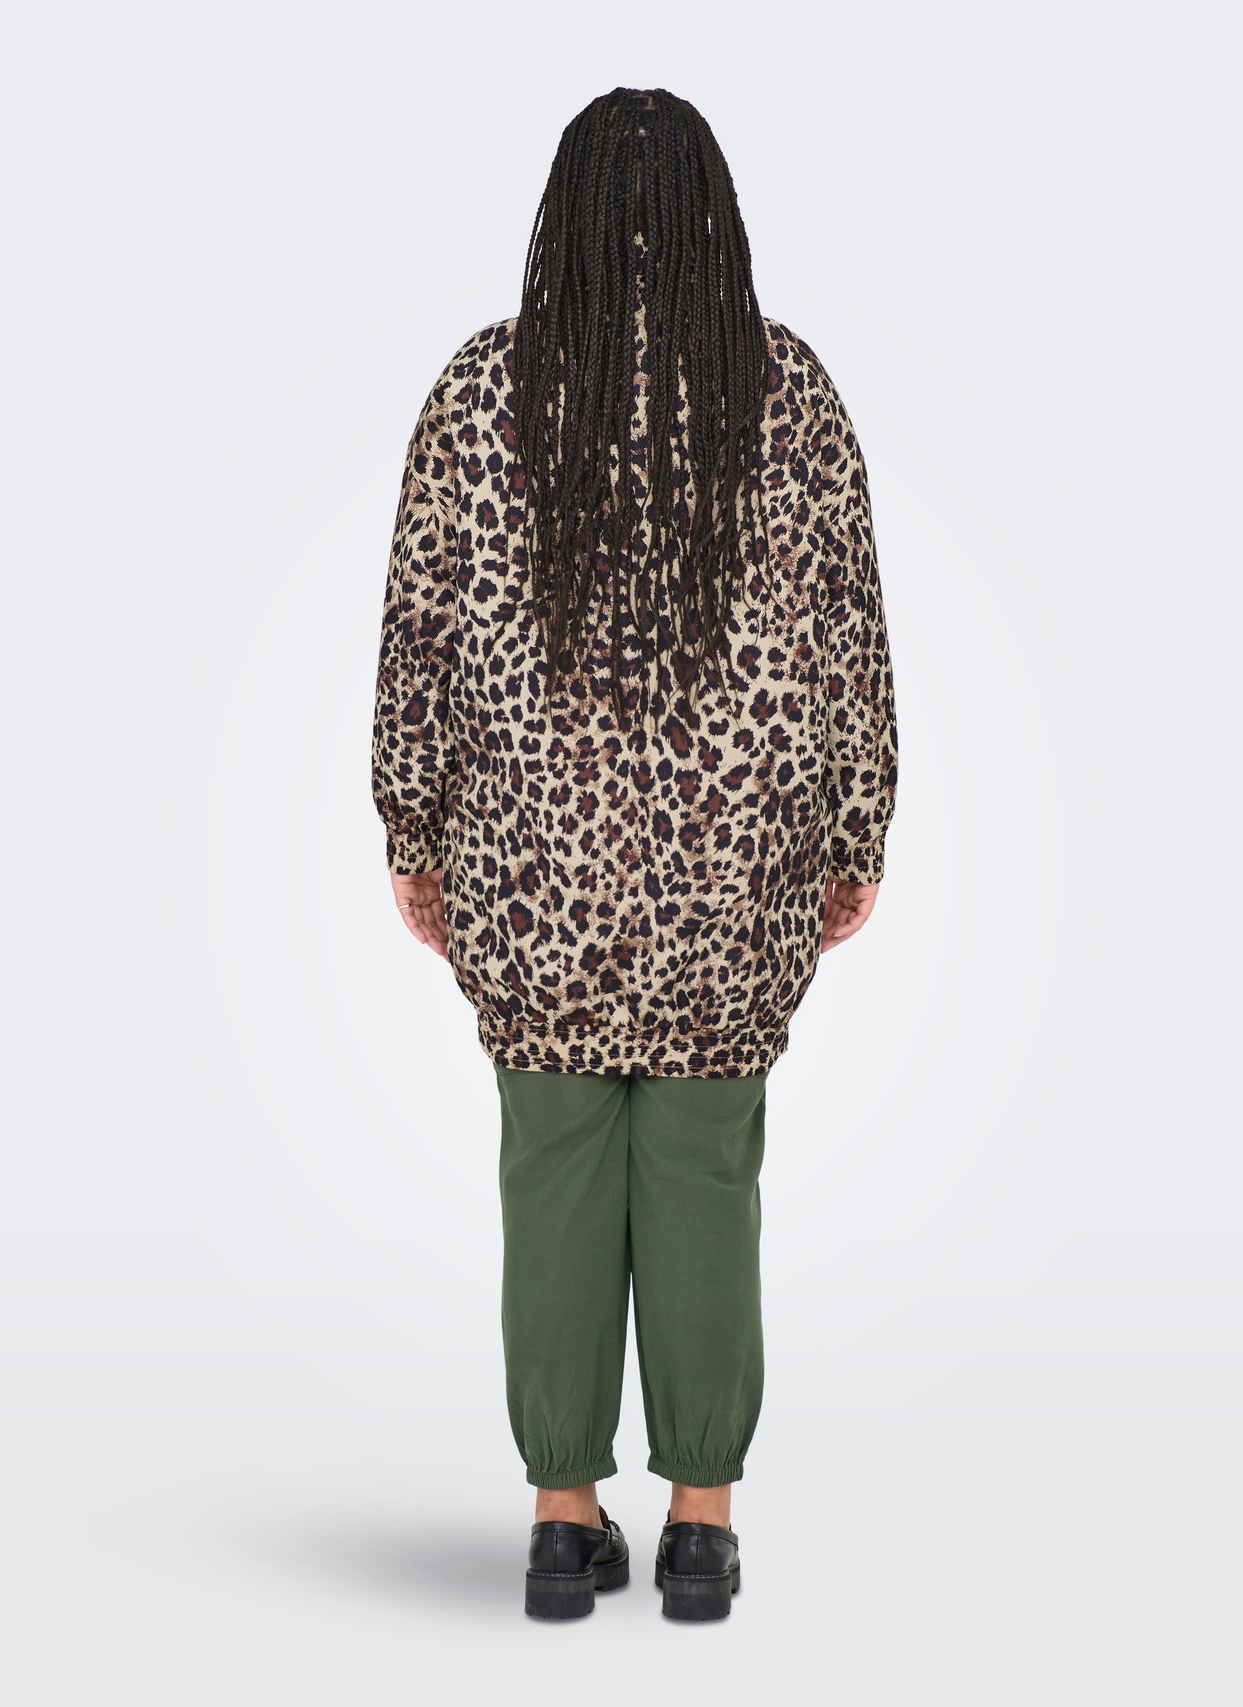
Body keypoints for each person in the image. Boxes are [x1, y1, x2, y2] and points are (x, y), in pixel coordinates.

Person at [370, 86, 899, 1622]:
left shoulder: (484, 392)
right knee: (704, 1176)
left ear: (567, 215)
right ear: (717, 218)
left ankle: (559, 1517)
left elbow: (419, 639)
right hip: (736, 878)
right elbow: (850, 635)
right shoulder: (785, 393)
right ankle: (703, 1527)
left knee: (551, 1175)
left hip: (533, 876)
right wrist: (855, 828)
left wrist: (416, 830)